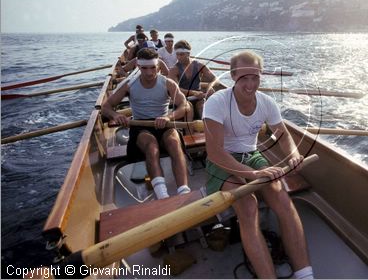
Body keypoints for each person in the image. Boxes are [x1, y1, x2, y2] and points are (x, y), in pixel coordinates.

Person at [202, 51, 314, 279]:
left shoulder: (267, 103)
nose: (250, 84)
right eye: (244, 78)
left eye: (255, 77)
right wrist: (253, 174)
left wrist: (293, 154)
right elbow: (215, 152)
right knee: (248, 205)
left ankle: (305, 275)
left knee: (281, 197)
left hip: (252, 156)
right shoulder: (216, 102)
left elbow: (282, 135)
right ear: (233, 76)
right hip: (222, 160)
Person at [102, 48, 191, 199]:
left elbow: (185, 105)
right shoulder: (129, 85)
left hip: (165, 123)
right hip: (140, 126)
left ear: (158, 66)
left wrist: (169, 117)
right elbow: (106, 107)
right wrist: (116, 115)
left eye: (152, 68)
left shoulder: (168, 83)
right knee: (151, 146)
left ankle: (184, 192)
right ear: (137, 66)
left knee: (174, 143)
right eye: (144, 68)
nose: (149, 73)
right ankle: (162, 196)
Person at [168, 40, 217, 121]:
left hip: (199, 98)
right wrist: (193, 92)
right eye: (177, 54)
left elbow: (215, 79)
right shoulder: (174, 70)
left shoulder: (199, 66)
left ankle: (207, 128)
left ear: (188, 54)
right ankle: (188, 131)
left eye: (181, 54)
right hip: (182, 99)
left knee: (202, 106)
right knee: (188, 108)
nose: (179, 57)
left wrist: (210, 86)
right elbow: (176, 89)